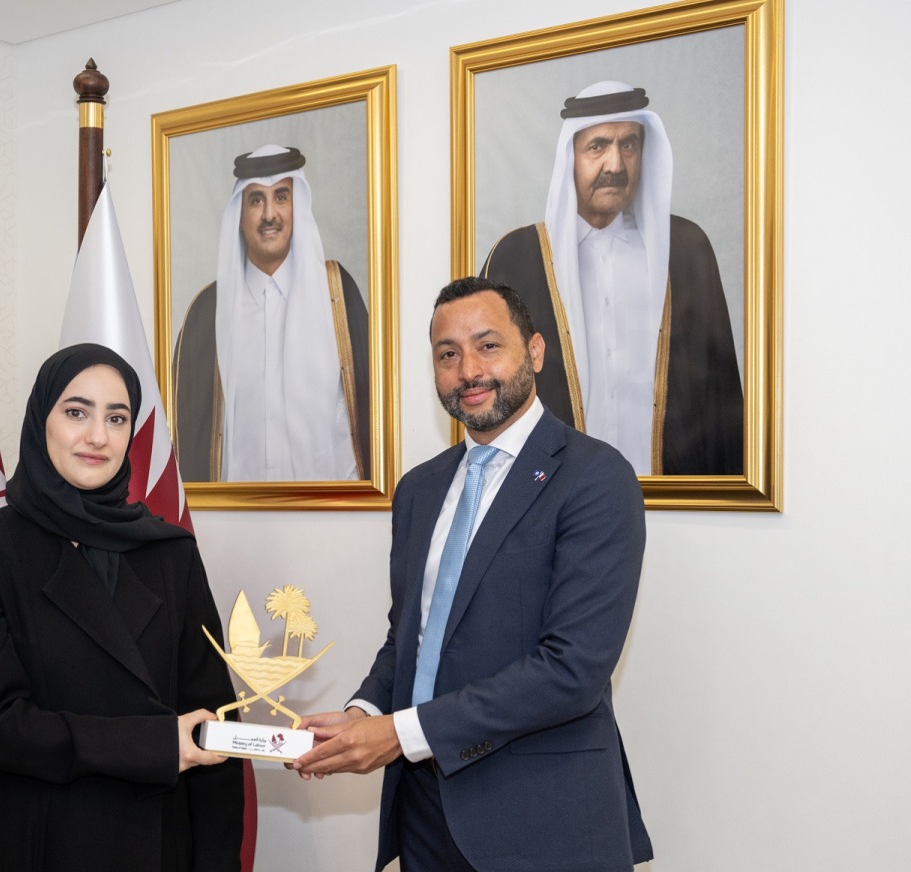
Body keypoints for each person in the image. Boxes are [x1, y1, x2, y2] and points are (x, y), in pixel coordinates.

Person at [292, 277, 652, 871]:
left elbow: (572, 669)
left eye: (488, 346)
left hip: (544, 819)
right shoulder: (419, 489)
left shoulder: (595, 479)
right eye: (448, 354)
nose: (468, 371)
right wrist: (361, 716)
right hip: (426, 813)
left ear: (534, 352)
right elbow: (410, 637)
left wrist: (401, 734)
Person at [0, 343, 243, 871]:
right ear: (40, 420)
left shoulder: (171, 553)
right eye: (77, 412)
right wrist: (155, 744)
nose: (98, 436)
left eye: (117, 418)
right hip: (31, 846)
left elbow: (211, 733)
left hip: (155, 847)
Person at [481, 80, 743, 476]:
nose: (615, 165)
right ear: (570, 157)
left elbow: (721, 393)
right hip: (557, 502)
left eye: (629, 145)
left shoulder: (687, 249)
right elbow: (489, 391)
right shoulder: (518, 257)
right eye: (597, 146)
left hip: (676, 494)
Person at [172, 144, 370, 482]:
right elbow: (190, 434)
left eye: (281, 196)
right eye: (255, 200)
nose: (269, 215)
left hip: (333, 516)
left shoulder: (336, 293)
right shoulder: (207, 312)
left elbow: (368, 409)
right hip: (234, 518)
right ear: (239, 214)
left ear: (298, 208)